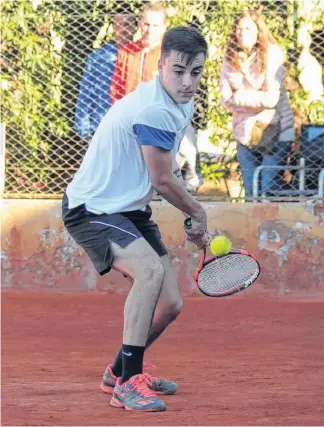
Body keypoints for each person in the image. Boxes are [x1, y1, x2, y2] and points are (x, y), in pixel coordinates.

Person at [62, 26, 210, 412]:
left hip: (128, 207)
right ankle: (128, 384)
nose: (187, 81)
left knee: (171, 304)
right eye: (178, 71)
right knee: (148, 272)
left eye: (195, 72)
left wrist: (192, 215)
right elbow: (162, 179)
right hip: (92, 209)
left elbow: (165, 174)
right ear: (160, 65)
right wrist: (197, 212)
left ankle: (120, 369)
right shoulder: (155, 109)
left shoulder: (180, 102)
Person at [110, 2, 203, 194]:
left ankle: (189, 176)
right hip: (132, 118)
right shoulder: (127, 51)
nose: (148, 30)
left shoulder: (172, 55)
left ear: (164, 28)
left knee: (183, 147)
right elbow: (116, 90)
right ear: (139, 25)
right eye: (145, 24)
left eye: (154, 25)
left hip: (162, 118)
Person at [220, 10, 295, 197]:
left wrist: (240, 96)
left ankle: (272, 225)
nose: (242, 32)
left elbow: (271, 98)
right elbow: (226, 99)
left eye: (247, 28)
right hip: (244, 131)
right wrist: (254, 98)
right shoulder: (229, 58)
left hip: (274, 129)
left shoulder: (272, 54)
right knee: (251, 192)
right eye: (238, 29)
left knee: (267, 189)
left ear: (258, 31)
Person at [74, 14, 136, 141]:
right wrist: (85, 132)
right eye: (118, 25)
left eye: (127, 25)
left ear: (135, 28)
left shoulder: (141, 58)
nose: (123, 30)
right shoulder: (98, 58)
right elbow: (85, 95)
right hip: (101, 130)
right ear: (113, 28)